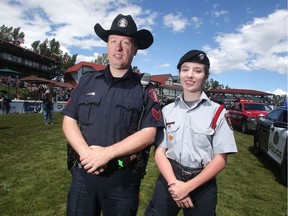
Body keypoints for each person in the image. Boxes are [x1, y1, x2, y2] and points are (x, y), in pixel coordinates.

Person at [61, 14, 164, 216]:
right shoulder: (87, 81)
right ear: (107, 46)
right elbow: (69, 120)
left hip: (122, 181)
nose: (118, 47)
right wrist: (86, 154)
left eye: (126, 43)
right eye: (113, 41)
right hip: (83, 175)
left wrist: (106, 154)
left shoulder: (145, 89)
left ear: (134, 50)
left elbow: (149, 133)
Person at [145, 50, 238, 216]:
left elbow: (220, 159)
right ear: (179, 74)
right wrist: (175, 185)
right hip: (170, 178)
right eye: (185, 69)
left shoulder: (218, 112)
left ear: (205, 76)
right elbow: (160, 152)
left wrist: (187, 187)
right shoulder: (167, 110)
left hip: (203, 182)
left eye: (197, 71)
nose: (190, 75)